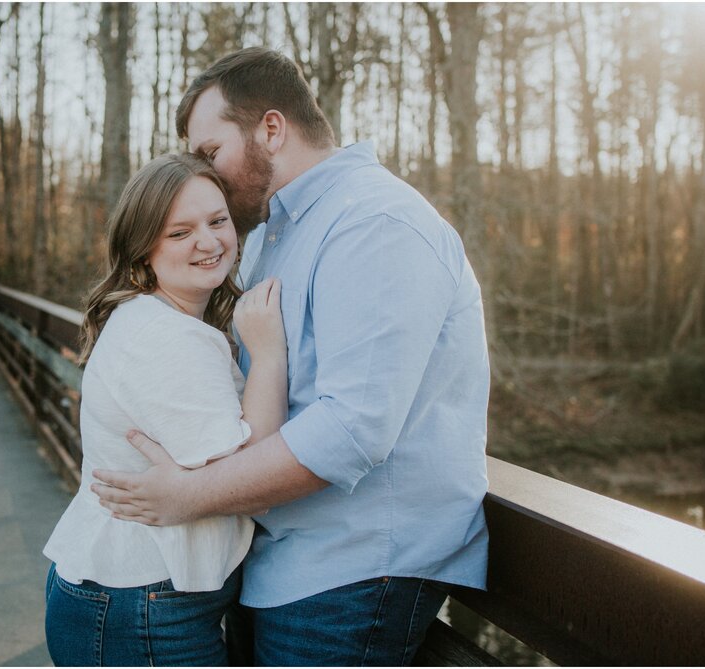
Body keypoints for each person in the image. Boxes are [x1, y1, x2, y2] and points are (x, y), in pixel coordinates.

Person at [92, 47, 491, 666]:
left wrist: (187, 497)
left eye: (210, 153)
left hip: (354, 572)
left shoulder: (375, 223)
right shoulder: (273, 236)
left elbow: (351, 429)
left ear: (271, 129)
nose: (208, 176)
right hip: (280, 566)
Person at [43, 153, 288, 666]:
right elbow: (252, 478)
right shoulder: (162, 336)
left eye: (218, 221)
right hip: (142, 608)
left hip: (139, 600)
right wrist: (268, 356)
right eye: (180, 233)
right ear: (144, 250)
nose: (209, 241)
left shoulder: (160, 322)